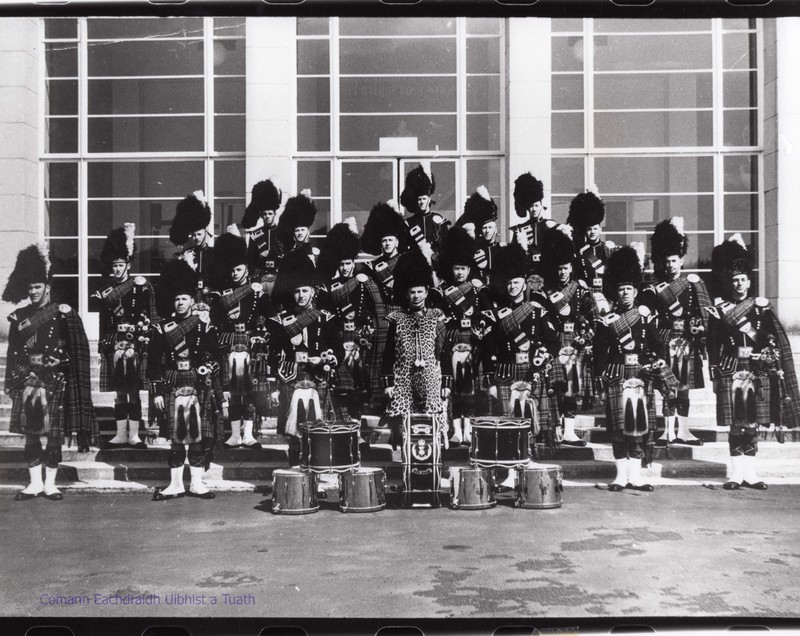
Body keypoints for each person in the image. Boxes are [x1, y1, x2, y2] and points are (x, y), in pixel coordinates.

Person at [4, 243, 97, 500]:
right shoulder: (19, 317)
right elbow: (13, 352)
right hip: (28, 380)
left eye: (38, 287)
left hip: (54, 380)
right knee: (31, 435)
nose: (33, 292)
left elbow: (77, 351)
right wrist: (15, 382)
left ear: (47, 287)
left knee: (54, 436)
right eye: (30, 287)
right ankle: (34, 484)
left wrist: (60, 364)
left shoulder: (62, 314)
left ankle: (50, 484)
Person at [707, 235, 800, 490]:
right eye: (735, 280)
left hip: (756, 370)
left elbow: (775, 340)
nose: (739, 284)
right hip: (732, 368)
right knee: (736, 424)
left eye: (743, 279)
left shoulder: (761, 308)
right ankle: (736, 474)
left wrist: (770, 353)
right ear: (730, 282)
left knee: (752, 424)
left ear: (749, 281)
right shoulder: (720, 310)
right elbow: (713, 345)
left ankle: (751, 473)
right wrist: (715, 373)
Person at [593, 245, 676, 492]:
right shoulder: (607, 320)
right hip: (617, 374)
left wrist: (659, 359)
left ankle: (636, 477)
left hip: (640, 375)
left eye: (629, 288)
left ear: (636, 291)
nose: (625, 292)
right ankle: (620, 477)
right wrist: (599, 377)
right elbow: (599, 351)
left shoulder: (643, 316)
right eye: (621, 288)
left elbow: (658, 343)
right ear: (615, 292)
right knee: (619, 430)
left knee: (638, 429)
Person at [482, 243, 563, 488]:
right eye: (508, 282)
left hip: (531, 373)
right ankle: (508, 473)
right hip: (505, 375)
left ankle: (525, 468)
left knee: (529, 422)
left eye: (516, 282)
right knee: (508, 425)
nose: (512, 286)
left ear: (524, 283)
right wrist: (490, 381)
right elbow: (488, 347)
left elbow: (554, 343)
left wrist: (542, 358)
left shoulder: (538, 312)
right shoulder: (498, 315)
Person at [149, 260, 226, 500]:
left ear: (193, 301)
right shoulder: (163, 329)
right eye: (176, 299)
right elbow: (154, 362)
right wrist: (157, 392)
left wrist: (207, 371)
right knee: (175, 439)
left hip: (197, 386)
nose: (180, 303)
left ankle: (196, 484)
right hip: (173, 384)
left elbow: (217, 359)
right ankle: (174, 485)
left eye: (184, 299)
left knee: (196, 438)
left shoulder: (204, 328)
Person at [268, 249, 342, 467]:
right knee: (293, 433)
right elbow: (274, 352)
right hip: (291, 377)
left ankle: (314, 480)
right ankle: (294, 476)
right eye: (297, 291)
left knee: (317, 430)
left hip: (317, 376)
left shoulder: (325, 318)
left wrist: (328, 359)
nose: (301, 295)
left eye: (305, 291)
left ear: (313, 292)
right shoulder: (281, 321)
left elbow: (338, 349)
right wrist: (273, 384)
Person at [640, 218, 710, 446]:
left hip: (687, 342)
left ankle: (685, 431)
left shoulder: (692, 284)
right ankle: (668, 431)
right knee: (667, 387)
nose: (670, 265)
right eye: (667, 261)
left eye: (674, 260)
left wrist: (699, 329)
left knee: (684, 388)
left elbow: (704, 313)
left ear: (681, 260)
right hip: (665, 340)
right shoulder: (654, 286)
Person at [91, 223, 158, 450]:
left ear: (128, 264)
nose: (117, 269)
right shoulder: (105, 290)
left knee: (135, 392)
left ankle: (135, 436)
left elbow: (151, 316)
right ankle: (120, 435)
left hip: (136, 343)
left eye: (121, 264)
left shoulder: (141, 286)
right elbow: (102, 322)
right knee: (120, 392)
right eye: (114, 265)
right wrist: (102, 347)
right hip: (114, 343)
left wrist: (146, 340)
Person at [210, 227, 274, 450]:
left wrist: (261, 336)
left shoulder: (256, 292)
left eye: (238, 269)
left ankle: (249, 435)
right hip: (230, 346)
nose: (234, 273)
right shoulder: (222, 295)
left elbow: (271, 318)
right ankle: (234, 435)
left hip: (252, 347)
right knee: (234, 395)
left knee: (250, 394)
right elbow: (214, 324)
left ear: (246, 269)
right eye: (232, 270)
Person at [381, 247, 452, 448]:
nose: (416, 296)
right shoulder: (396, 319)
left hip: (431, 377)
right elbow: (388, 354)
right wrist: (388, 382)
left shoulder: (436, 316)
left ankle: (434, 459)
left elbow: (444, 351)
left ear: (427, 291)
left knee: (432, 424)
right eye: (412, 292)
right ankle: (407, 461)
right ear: (406, 293)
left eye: (420, 291)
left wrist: (446, 382)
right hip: (403, 379)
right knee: (405, 426)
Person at [540, 226, 595, 447]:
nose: (562, 272)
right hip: (554, 343)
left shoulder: (580, 291)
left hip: (574, 344)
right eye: (559, 268)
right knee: (554, 387)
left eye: (565, 268)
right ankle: (554, 430)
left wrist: (586, 336)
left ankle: (570, 432)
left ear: (571, 267)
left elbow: (592, 318)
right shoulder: (547, 292)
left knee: (571, 389)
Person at [317, 219, 375, 426]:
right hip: (340, 337)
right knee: (342, 384)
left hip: (359, 338)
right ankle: (345, 423)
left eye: (348, 264)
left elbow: (372, 308)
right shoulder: (331, 287)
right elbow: (326, 314)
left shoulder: (362, 283)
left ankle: (356, 424)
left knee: (359, 385)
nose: (344, 268)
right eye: (341, 264)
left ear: (353, 263)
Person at [436, 225, 490, 446]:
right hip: (453, 340)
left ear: (469, 270)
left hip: (473, 340)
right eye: (456, 268)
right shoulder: (442, 290)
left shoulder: (478, 289)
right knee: (456, 389)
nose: (459, 272)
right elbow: (439, 318)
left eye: (463, 269)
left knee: (470, 389)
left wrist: (481, 329)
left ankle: (469, 429)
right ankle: (456, 430)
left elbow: (487, 315)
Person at [360, 201, 413, 418]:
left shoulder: (406, 262)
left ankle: (402, 402)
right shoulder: (373, 266)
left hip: (401, 314)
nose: (387, 243)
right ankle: (379, 402)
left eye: (390, 239)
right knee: (379, 359)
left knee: (402, 359)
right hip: (381, 318)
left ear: (397, 241)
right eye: (384, 240)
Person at [169, 191, 221, 310]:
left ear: (206, 233)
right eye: (193, 235)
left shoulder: (215, 254)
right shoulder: (184, 255)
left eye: (199, 234)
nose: (196, 238)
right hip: (190, 302)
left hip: (211, 301)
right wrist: (187, 266)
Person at [510, 172, 557, 290]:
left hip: (548, 276)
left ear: (541, 205)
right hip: (528, 276)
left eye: (536, 205)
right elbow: (514, 257)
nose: (534, 209)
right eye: (531, 206)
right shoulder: (520, 229)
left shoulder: (551, 226)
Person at [567, 190, 615, 302]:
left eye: (595, 228)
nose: (592, 232)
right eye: (589, 229)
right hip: (586, 297)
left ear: (600, 229)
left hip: (606, 296)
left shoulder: (607, 250)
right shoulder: (579, 252)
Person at [455, 186, 502, 287]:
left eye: (490, 227)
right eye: (485, 228)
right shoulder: (475, 248)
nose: (488, 231)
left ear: (496, 229)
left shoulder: (502, 249)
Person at [401, 162, 447, 263]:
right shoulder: (409, 222)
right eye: (419, 199)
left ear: (429, 199)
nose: (421, 202)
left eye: (424, 199)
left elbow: (444, 246)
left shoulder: (438, 220)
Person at [240, 178, 284, 282]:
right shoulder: (255, 235)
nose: (267, 216)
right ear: (261, 215)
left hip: (280, 277)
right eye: (264, 214)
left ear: (274, 214)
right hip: (260, 277)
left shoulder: (282, 232)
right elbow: (251, 259)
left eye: (270, 213)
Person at [275, 190, 318, 261]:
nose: (300, 233)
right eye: (297, 230)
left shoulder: (315, 254)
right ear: (293, 233)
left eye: (303, 230)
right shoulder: (287, 254)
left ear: (308, 231)